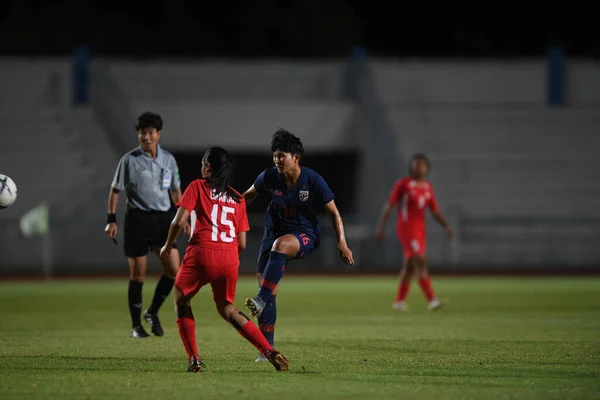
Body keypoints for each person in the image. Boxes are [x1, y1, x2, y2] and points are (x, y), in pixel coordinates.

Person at [159, 147, 289, 372]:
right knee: (227, 308)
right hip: (229, 258)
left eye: (203, 164)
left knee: (181, 299)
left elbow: (178, 223)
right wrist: (224, 257)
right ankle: (269, 350)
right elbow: (242, 244)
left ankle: (194, 359)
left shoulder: (197, 186)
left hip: (201, 253)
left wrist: (168, 245)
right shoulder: (237, 198)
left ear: (208, 166)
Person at [243, 128, 354, 362]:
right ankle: (267, 350)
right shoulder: (270, 176)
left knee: (280, 247)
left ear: (296, 158)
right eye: (274, 155)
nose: (277, 160)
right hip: (272, 233)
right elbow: (249, 195)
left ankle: (260, 299)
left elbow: (334, 213)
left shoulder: (313, 180)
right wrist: (231, 211)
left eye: (281, 155)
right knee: (269, 288)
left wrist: (342, 243)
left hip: (304, 234)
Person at [105, 111, 190, 338]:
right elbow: (115, 191)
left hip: (163, 221)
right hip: (138, 220)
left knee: (174, 271)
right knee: (138, 275)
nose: (146, 137)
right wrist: (110, 220)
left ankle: (152, 311)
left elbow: (175, 190)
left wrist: (184, 217)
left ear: (158, 134)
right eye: (142, 132)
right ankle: (136, 326)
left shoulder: (168, 160)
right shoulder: (129, 160)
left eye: (151, 132)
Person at [376, 153, 453, 311]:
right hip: (406, 228)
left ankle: (398, 301)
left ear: (427, 168)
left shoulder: (427, 188)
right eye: (415, 164)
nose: (417, 167)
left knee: (410, 266)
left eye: (421, 165)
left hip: (419, 230)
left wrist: (446, 226)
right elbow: (389, 206)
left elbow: (435, 211)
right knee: (420, 261)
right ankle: (432, 300)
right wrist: (381, 227)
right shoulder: (403, 185)